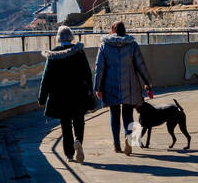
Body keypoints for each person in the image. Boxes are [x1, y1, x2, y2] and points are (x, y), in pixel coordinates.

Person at [94, 21, 152, 155]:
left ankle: (116, 145)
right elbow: (140, 65)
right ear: (124, 31)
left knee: (114, 114)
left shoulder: (104, 45)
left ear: (113, 30)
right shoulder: (132, 45)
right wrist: (148, 82)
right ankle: (128, 137)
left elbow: (99, 68)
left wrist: (98, 87)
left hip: (110, 83)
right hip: (130, 84)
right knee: (128, 113)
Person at [38, 25, 94, 163]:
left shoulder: (54, 54)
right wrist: (90, 92)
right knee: (79, 120)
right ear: (71, 38)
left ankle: (69, 154)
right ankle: (78, 140)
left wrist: (42, 98)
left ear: (58, 39)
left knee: (66, 124)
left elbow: (46, 78)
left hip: (60, 97)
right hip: (78, 94)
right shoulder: (79, 53)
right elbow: (87, 74)